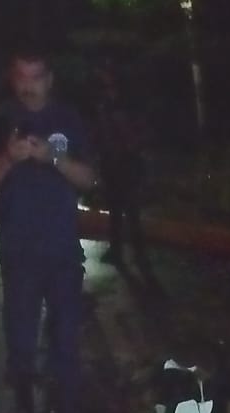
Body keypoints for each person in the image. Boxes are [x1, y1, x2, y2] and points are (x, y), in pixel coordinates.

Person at [0, 48, 96, 413]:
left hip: (62, 246)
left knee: (66, 334)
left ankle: (66, 411)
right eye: (21, 77)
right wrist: (9, 158)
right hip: (18, 248)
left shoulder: (68, 120)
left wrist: (53, 159)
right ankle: (24, 409)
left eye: (36, 76)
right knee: (21, 333)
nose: (28, 86)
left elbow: (89, 179)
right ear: (13, 79)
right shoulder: (1, 120)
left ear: (50, 78)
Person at [92, 61, 151, 273]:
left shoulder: (127, 103)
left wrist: (131, 149)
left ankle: (138, 252)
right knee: (115, 208)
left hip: (127, 160)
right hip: (111, 160)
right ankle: (117, 250)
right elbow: (101, 130)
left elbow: (137, 131)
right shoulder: (106, 102)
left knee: (131, 209)